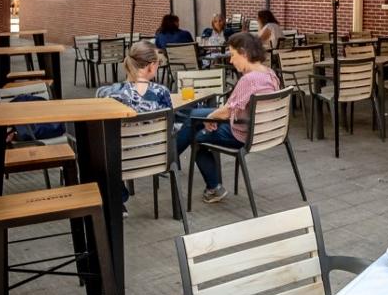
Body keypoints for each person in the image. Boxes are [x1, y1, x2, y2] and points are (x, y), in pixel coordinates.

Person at [175, 32, 279, 203]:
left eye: (232, 55)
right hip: (262, 130)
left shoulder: (249, 80)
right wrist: (210, 117)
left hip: (242, 133)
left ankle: (212, 187)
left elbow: (228, 111)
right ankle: (176, 142)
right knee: (194, 116)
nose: (230, 60)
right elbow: (229, 109)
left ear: (244, 53)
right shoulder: (269, 74)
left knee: (195, 135)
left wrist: (211, 119)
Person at [96, 40, 173, 214]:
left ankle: (118, 198)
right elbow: (171, 127)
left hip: (122, 160)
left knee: (99, 145)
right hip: (156, 158)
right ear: (152, 66)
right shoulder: (162, 93)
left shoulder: (109, 92)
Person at [95, 39, 172, 113]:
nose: (159, 65)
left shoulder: (105, 92)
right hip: (157, 127)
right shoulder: (162, 92)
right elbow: (171, 120)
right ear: (151, 66)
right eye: (159, 62)